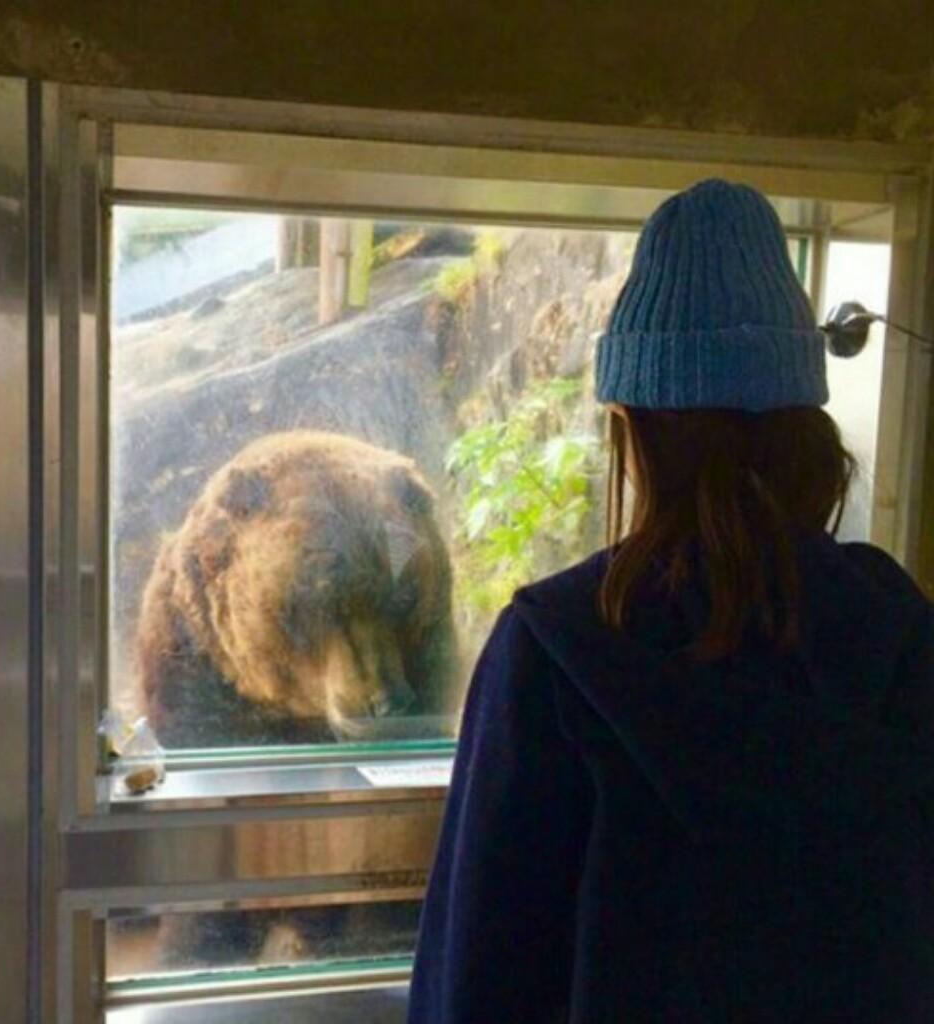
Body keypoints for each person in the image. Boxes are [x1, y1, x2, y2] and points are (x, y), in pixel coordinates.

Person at [407, 179, 934, 1023]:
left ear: (635, 431)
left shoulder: (556, 650)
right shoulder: (900, 635)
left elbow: (476, 978)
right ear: (806, 426)